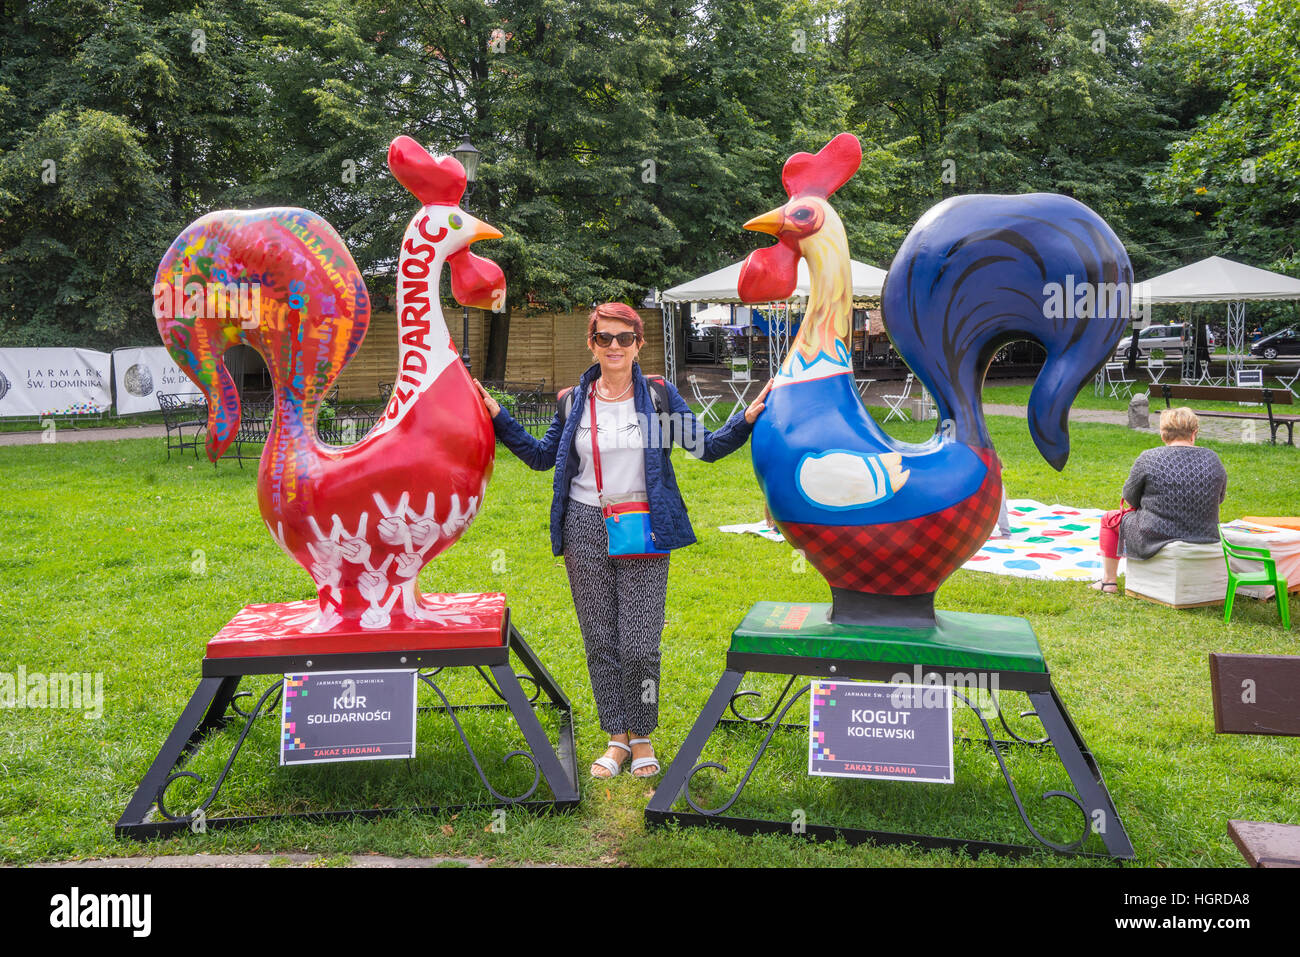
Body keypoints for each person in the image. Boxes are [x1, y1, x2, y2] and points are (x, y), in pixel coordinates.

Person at [475, 302, 771, 778]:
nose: (614, 347)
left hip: (642, 523)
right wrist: (498, 417)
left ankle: (644, 733)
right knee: (599, 640)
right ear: (591, 343)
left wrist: (748, 419)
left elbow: (706, 447)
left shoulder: (657, 396)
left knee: (640, 643)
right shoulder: (574, 400)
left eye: (624, 338)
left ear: (639, 344)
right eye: (605, 338)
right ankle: (617, 737)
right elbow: (538, 457)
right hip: (584, 525)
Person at [1094, 407, 1227, 593]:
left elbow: (1130, 496)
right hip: (1204, 531)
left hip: (1155, 532)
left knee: (1109, 519)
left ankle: (1108, 582)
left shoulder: (1149, 457)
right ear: (1194, 433)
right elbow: (1219, 498)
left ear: (1163, 435)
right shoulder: (1213, 459)